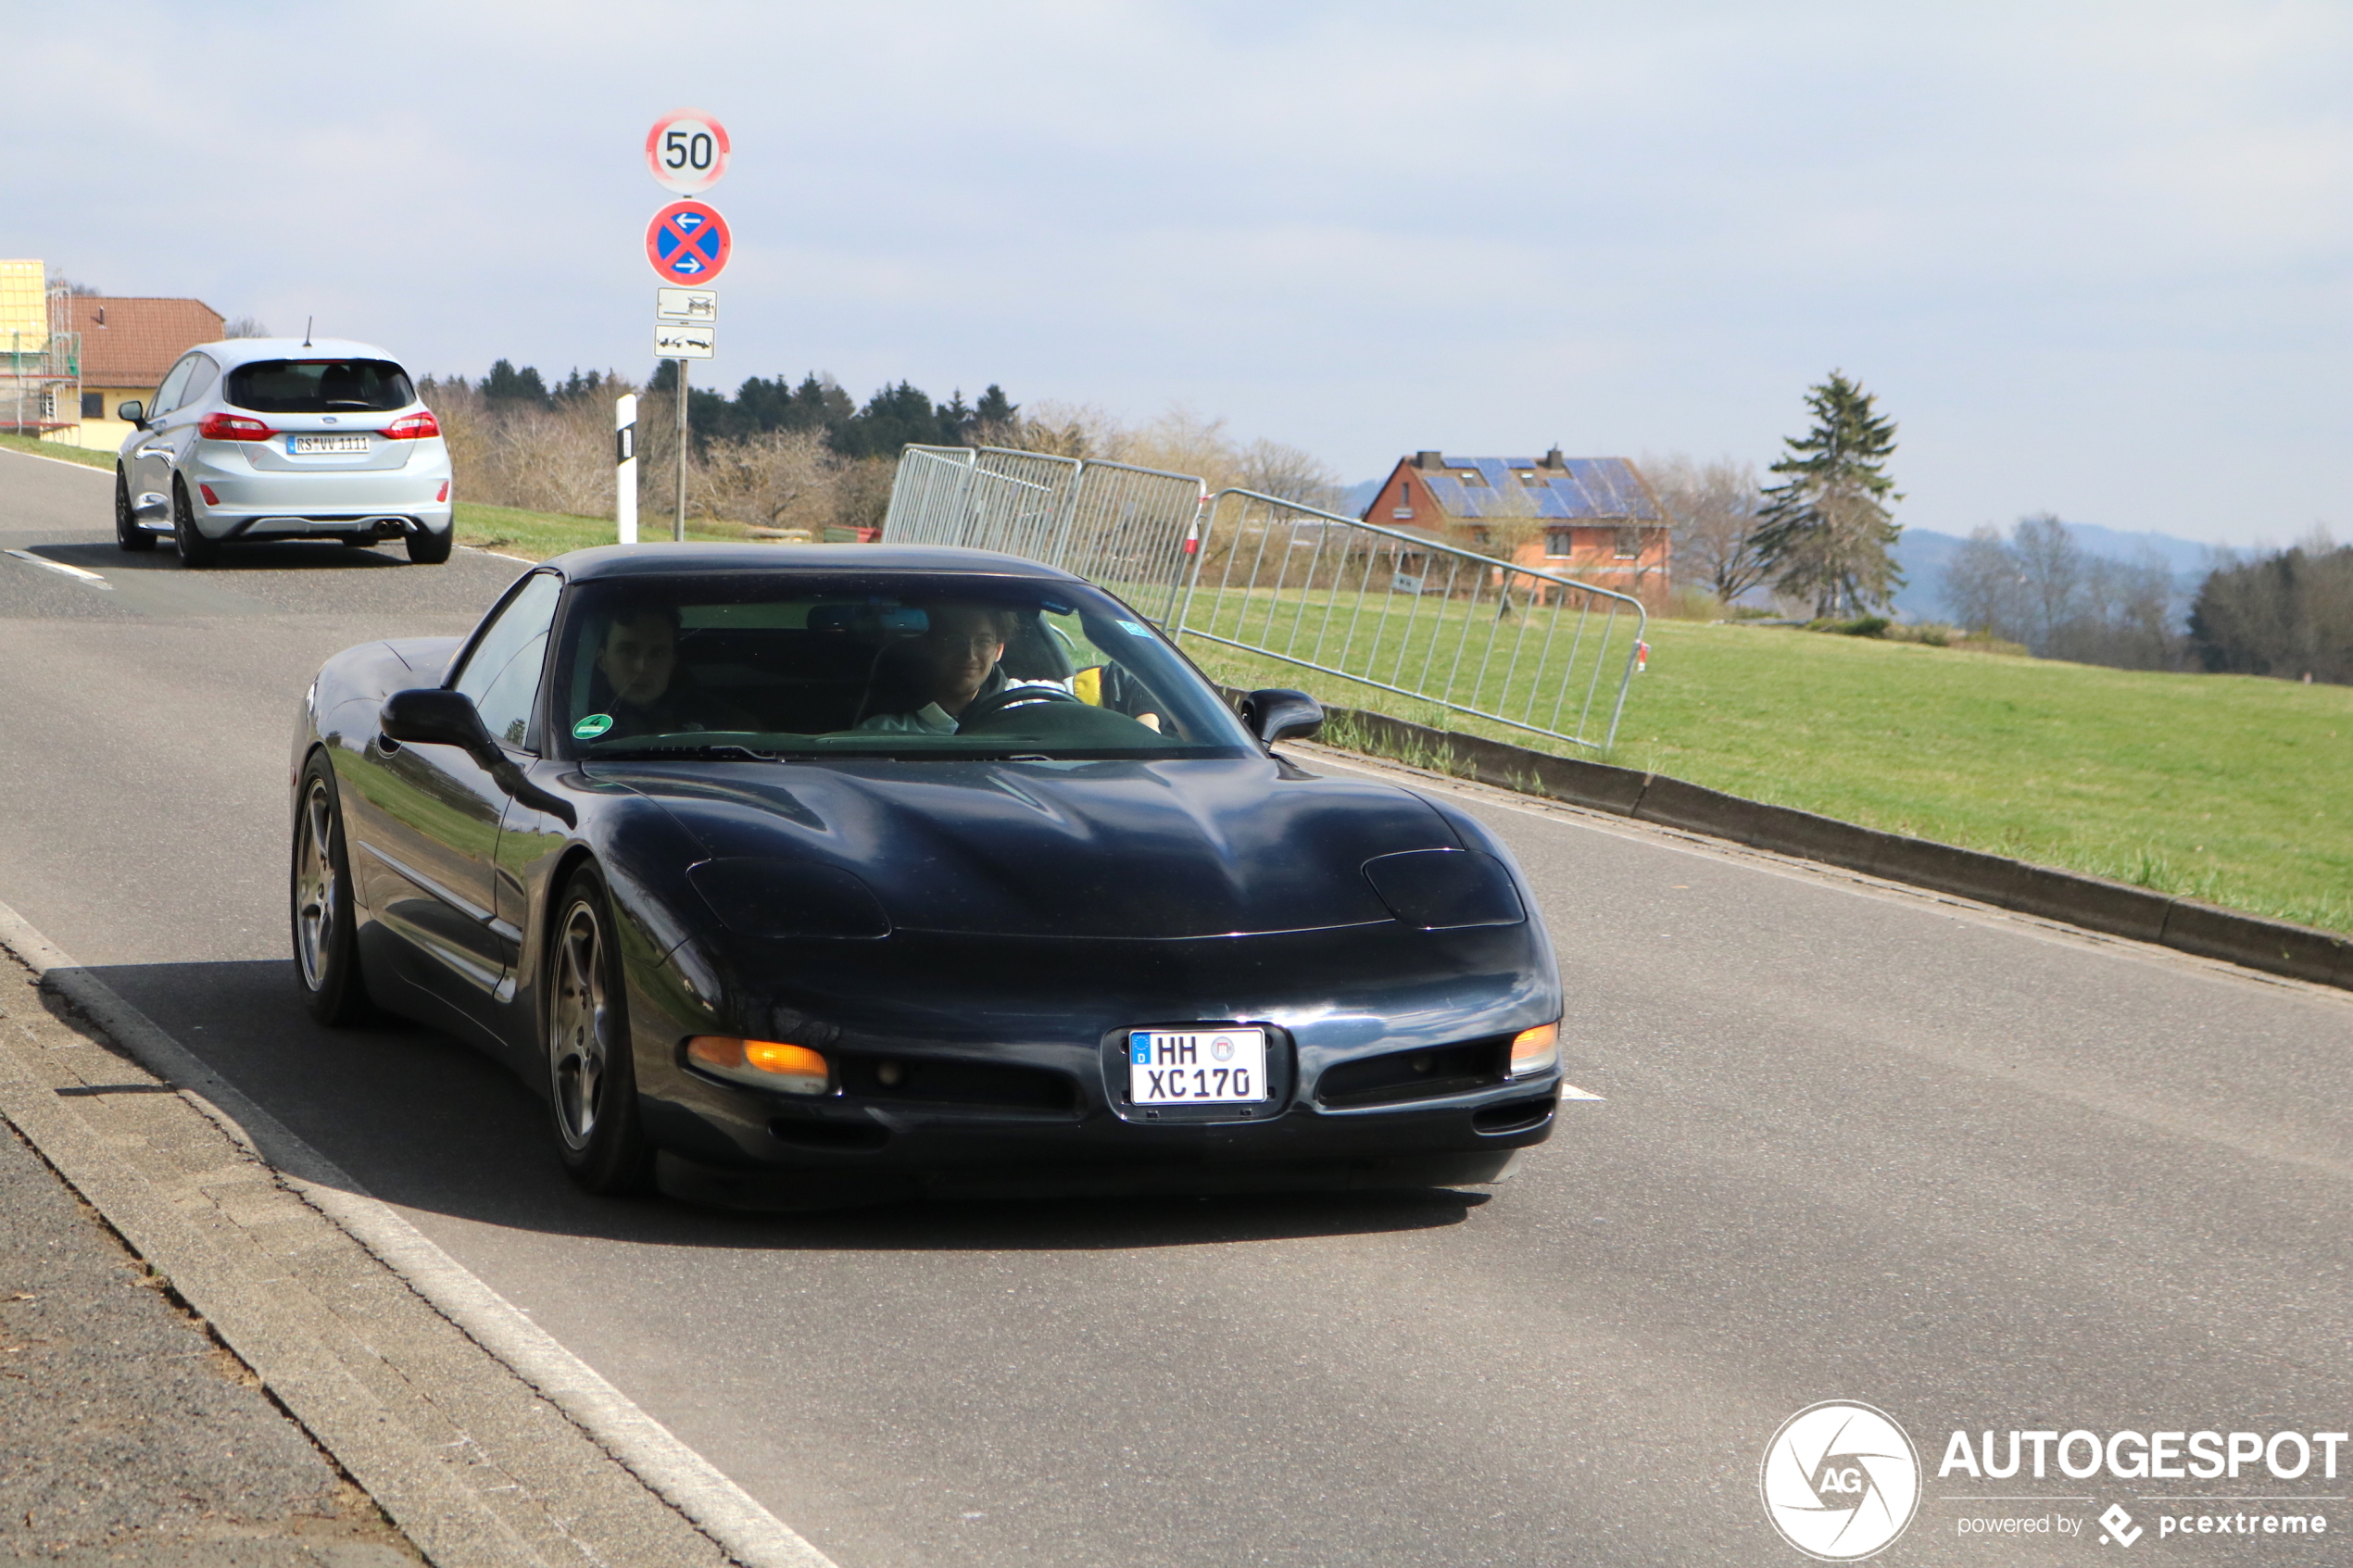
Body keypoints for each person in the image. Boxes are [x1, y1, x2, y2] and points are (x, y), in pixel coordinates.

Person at [578, 604, 754, 740]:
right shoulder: (570, 716)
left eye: (658, 653)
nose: (642, 667)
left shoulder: (721, 721)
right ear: (601, 659)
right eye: (628, 651)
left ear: (672, 663)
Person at [856, 602, 1026, 734]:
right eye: (955, 641)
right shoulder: (883, 732)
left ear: (998, 650)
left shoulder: (1027, 704)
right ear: (932, 648)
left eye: (983, 642)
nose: (970, 655)